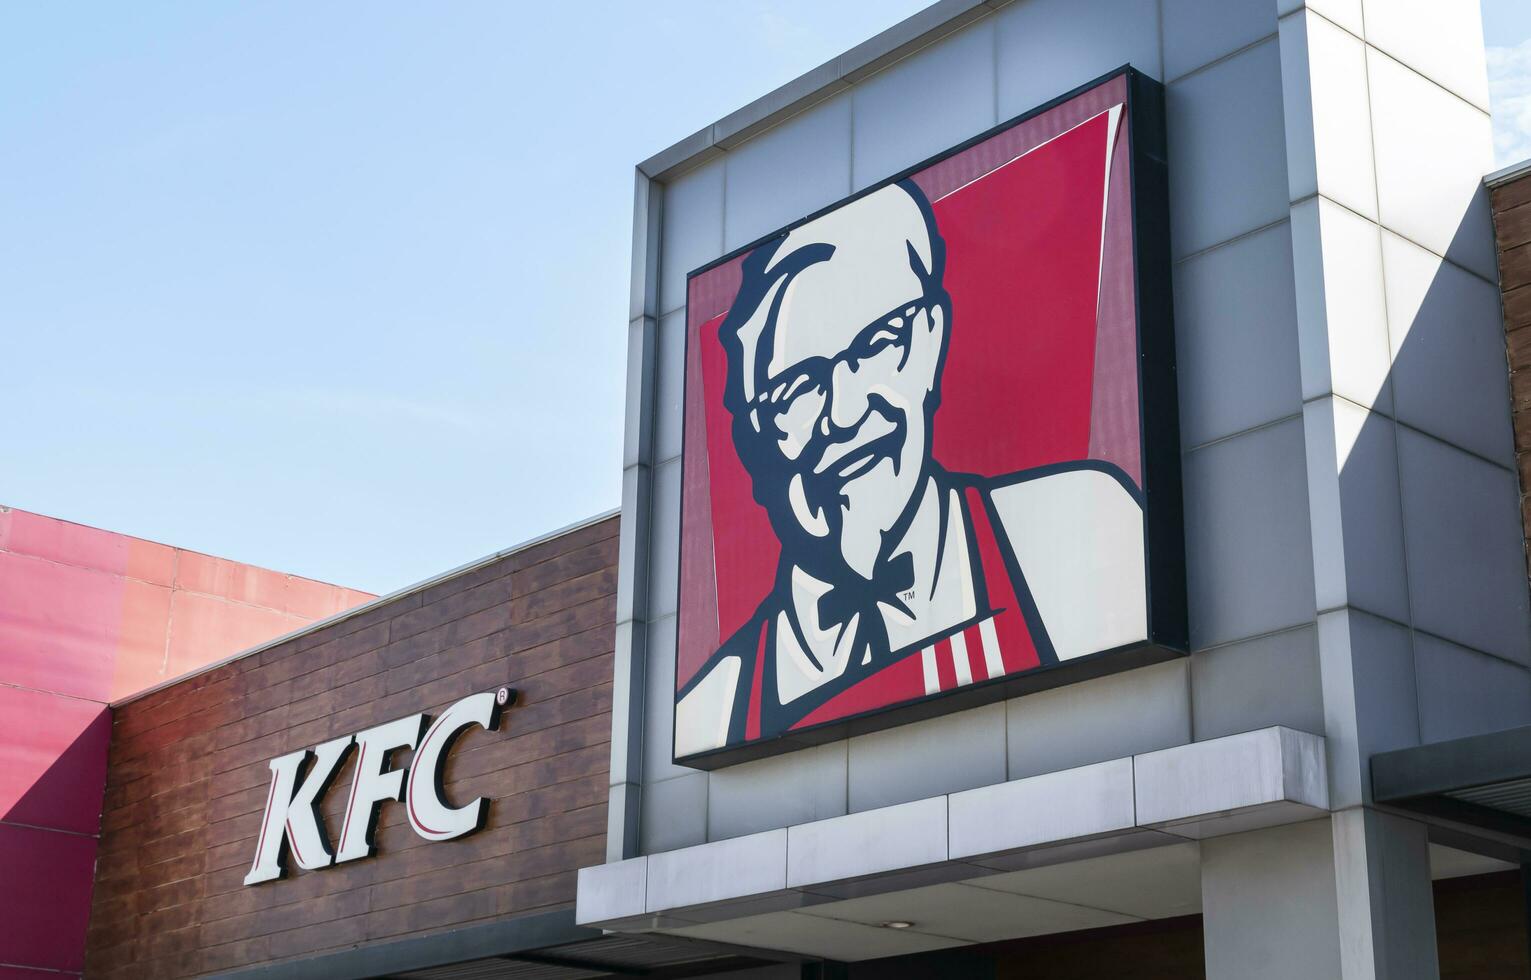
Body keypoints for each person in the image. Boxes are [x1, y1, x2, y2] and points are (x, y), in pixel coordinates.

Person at [675, 179, 1146, 759]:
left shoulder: (1080, 530)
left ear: (929, 342)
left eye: (876, 343)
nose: (844, 412)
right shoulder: (711, 710)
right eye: (797, 388)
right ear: (757, 437)